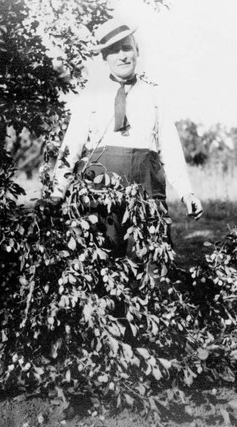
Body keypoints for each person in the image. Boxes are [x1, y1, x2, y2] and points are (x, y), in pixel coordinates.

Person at [40, 18, 203, 255]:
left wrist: (187, 193)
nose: (122, 55)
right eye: (114, 51)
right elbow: (71, 146)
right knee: (101, 261)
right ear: (104, 58)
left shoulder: (154, 94)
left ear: (137, 50)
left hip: (147, 190)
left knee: (155, 260)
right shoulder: (90, 96)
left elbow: (170, 146)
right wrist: (57, 193)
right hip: (98, 192)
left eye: (127, 47)